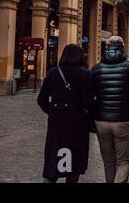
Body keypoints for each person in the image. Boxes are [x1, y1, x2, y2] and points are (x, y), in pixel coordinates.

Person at [37, 44, 93, 183]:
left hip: (57, 121)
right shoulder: (86, 74)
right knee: (74, 159)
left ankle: (49, 179)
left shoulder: (53, 73)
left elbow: (41, 99)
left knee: (54, 155)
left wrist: (53, 111)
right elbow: (88, 103)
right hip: (77, 122)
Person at [92, 36, 129, 183]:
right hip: (125, 120)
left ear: (106, 49)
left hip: (102, 121)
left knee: (108, 163)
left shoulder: (97, 69)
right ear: (122, 48)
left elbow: (91, 97)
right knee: (124, 162)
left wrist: (95, 118)